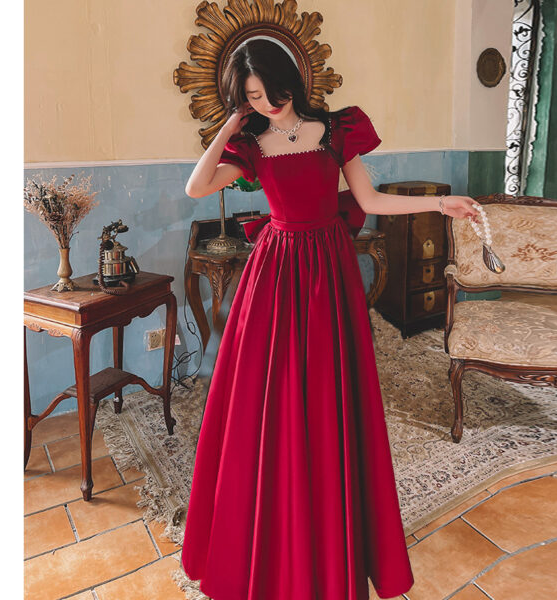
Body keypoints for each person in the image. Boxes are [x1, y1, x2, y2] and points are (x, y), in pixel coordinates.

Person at [180, 39, 480, 600]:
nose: (266, 102)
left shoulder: (337, 131)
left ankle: (330, 518)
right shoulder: (251, 145)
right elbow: (196, 187)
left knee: (329, 395)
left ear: (290, 80)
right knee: (271, 395)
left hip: (329, 270)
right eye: (251, 96)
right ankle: (272, 528)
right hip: (275, 272)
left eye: (268, 90)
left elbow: (370, 199)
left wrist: (443, 204)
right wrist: (229, 124)